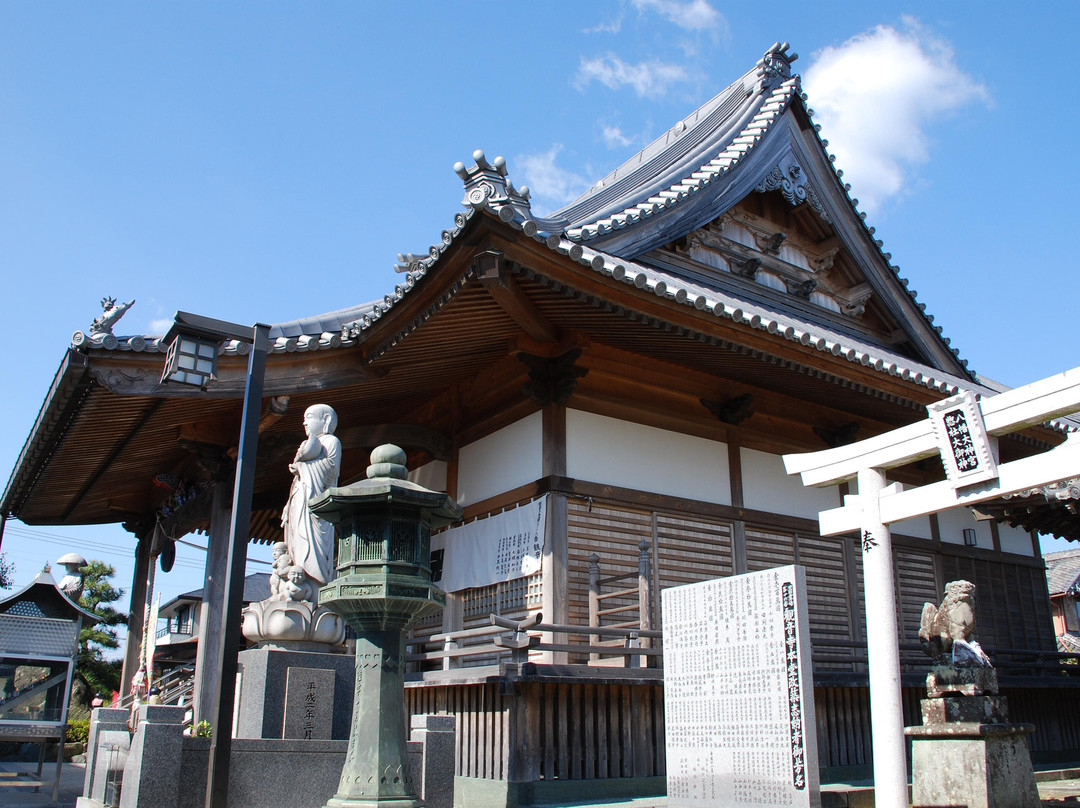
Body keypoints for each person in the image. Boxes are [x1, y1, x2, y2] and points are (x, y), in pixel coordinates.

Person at [281, 404, 341, 593]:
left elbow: (331, 471)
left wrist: (302, 467)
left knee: (315, 544)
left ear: (326, 420)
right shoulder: (311, 444)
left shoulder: (331, 441)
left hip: (317, 502)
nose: (304, 422)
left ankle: (315, 585)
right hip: (301, 496)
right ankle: (296, 579)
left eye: (310, 417)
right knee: (296, 539)